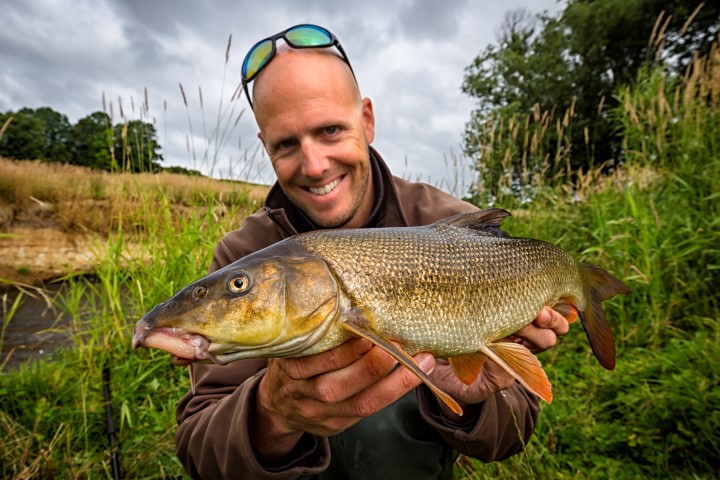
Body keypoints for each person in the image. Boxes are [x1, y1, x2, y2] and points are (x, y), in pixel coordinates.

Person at [175, 24, 569, 479]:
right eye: (286, 143)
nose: (315, 165)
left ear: (366, 120)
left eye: (329, 130)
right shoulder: (241, 255)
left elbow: (512, 435)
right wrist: (270, 415)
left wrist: (466, 395)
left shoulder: (458, 228)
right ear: (265, 147)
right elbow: (199, 451)